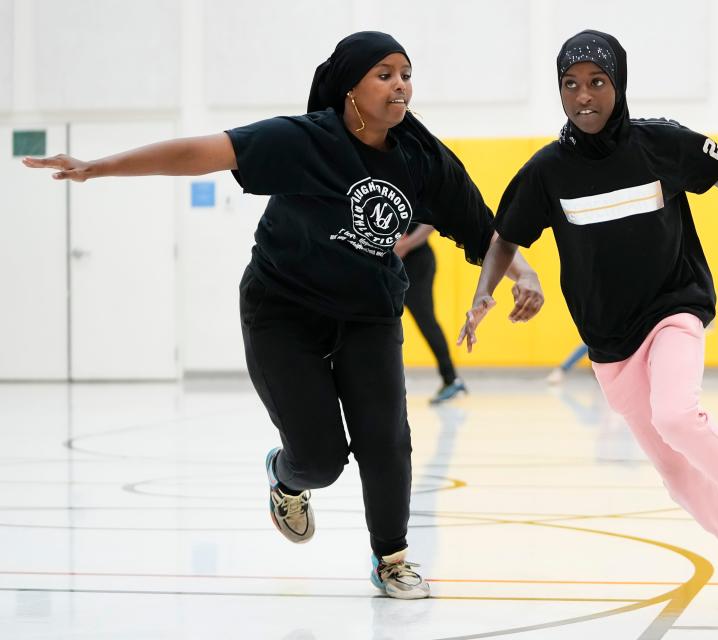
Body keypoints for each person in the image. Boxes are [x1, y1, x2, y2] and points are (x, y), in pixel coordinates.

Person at [24, 31, 544, 600]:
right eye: (385, 74)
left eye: (406, 73)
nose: (401, 85)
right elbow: (202, 153)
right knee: (319, 460)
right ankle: (285, 476)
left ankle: (391, 557)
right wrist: (96, 167)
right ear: (351, 88)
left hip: (367, 311)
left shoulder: (423, 159)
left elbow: (483, 228)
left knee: (386, 437)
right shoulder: (304, 141)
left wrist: (523, 275)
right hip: (283, 308)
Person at [458, 30, 718, 612]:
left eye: (597, 82)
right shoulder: (547, 171)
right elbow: (504, 238)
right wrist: (484, 295)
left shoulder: (659, 144)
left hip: (674, 307)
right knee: (679, 482)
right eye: (570, 85)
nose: (584, 97)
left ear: (618, 85)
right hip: (609, 342)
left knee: (676, 413)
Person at [394, 222, 467, 403]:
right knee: (376, 319)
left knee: (425, 320)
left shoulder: (416, 195)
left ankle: (451, 379)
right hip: (391, 261)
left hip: (415, 261)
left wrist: (406, 244)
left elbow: (431, 222)